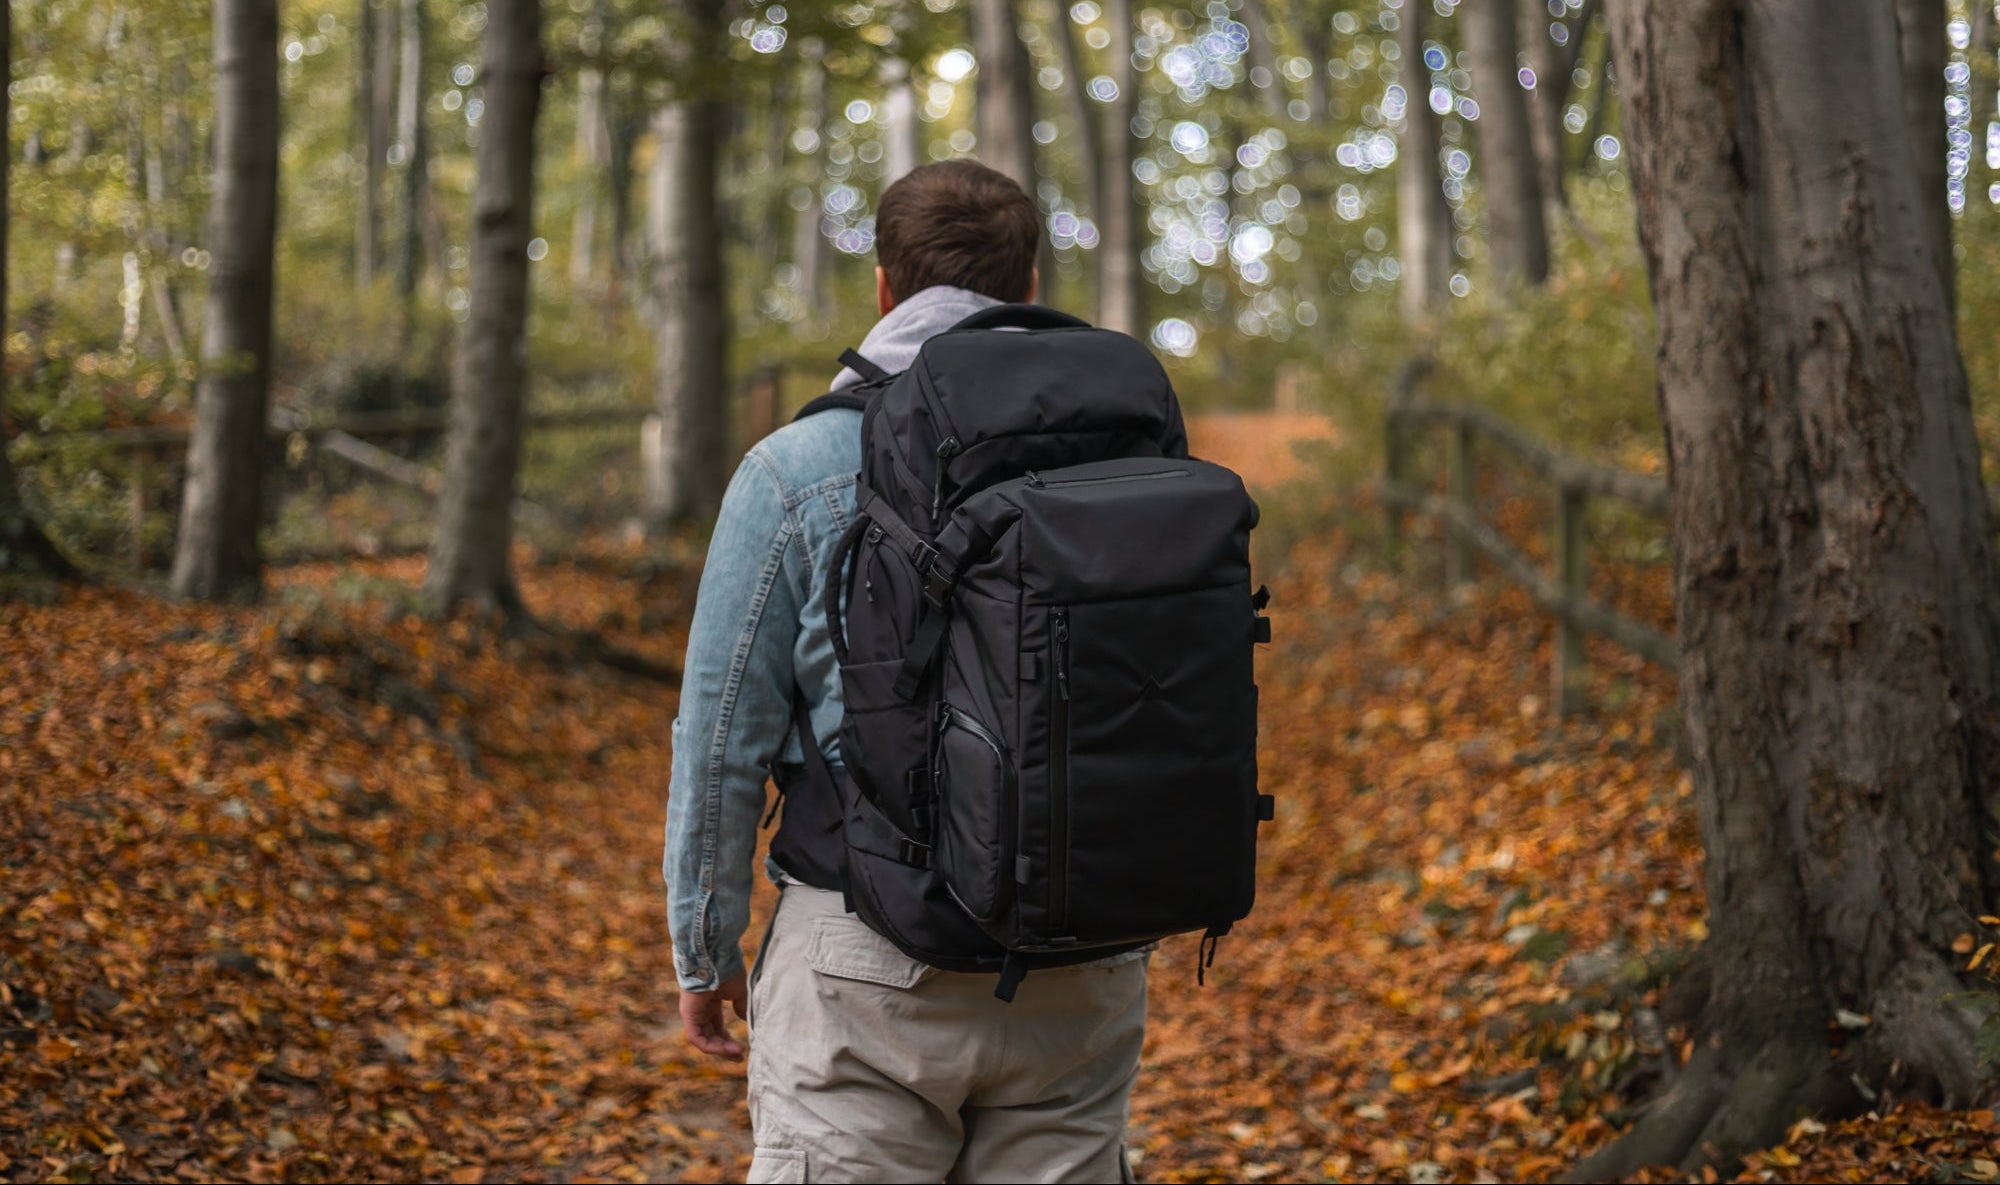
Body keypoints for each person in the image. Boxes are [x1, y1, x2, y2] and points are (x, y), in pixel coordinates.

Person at [664, 160, 1147, 1184]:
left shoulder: (796, 469)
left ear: (883, 287)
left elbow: (719, 740)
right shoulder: (1122, 454)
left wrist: (703, 952)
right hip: (1078, 948)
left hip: (861, 957)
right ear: (1026, 285)